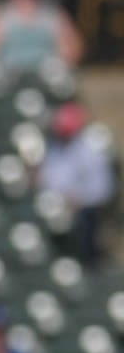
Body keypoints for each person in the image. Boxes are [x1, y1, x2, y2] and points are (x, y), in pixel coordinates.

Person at [36, 100, 118, 266]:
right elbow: (49, 178)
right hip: (53, 205)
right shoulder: (53, 146)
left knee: (84, 225)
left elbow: (102, 190)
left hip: (84, 210)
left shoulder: (90, 151)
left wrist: (77, 200)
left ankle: (86, 263)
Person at [0, 0, 85, 74]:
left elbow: (74, 48)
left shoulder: (54, 16)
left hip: (46, 76)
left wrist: (65, 57)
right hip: (10, 76)